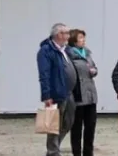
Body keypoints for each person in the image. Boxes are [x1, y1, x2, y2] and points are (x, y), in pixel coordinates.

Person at [38, 23, 77, 156]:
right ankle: (53, 151)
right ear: (58, 35)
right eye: (66, 33)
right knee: (54, 125)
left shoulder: (65, 49)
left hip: (69, 92)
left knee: (69, 122)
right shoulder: (46, 50)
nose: (68, 36)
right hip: (56, 93)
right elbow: (44, 74)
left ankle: (55, 147)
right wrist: (46, 95)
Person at [67, 29, 98, 156]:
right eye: (80, 38)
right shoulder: (69, 55)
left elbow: (94, 67)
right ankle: (76, 153)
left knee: (90, 127)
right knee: (77, 129)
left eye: (84, 38)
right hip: (78, 96)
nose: (83, 40)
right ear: (74, 40)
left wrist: (94, 71)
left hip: (90, 95)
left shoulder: (87, 54)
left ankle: (88, 153)